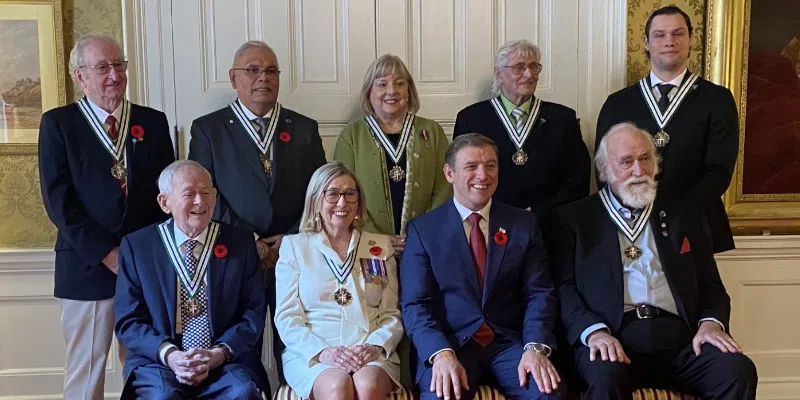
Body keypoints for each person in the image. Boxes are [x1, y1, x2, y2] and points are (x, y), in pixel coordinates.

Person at [552, 123, 757, 399]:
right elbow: (564, 290)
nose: (638, 171)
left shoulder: (685, 215)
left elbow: (711, 285)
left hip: (681, 339)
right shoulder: (574, 219)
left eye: (645, 159)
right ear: (605, 170)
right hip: (613, 336)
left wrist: (711, 324)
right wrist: (594, 333)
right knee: (604, 377)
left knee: (737, 370)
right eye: (626, 162)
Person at [38, 34, 175, 399]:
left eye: (119, 65)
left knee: (147, 364)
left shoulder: (153, 122)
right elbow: (59, 202)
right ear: (79, 76)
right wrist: (107, 253)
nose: (114, 75)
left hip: (145, 268)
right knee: (87, 369)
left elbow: (167, 198)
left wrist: (147, 258)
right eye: (102, 67)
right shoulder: (59, 125)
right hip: (86, 268)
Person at [188, 40, 326, 367]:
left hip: (293, 253)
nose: (262, 77)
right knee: (240, 347)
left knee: (296, 347)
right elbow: (204, 194)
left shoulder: (304, 128)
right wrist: (250, 240)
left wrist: (288, 239)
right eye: (252, 70)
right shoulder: (209, 129)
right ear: (233, 77)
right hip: (233, 253)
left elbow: (317, 191)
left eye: (270, 71)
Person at [401, 134, 561, 400]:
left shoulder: (523, 224)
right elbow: (416, 305)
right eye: (471, 166)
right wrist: (440, 353)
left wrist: (534, 347)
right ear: (449, 173)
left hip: (510, 344)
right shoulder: (423, 230)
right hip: (451, 345)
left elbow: (539, 293)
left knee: (548, 394)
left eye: (490, 165)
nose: (482, 175)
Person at [115, 160, 267, 399]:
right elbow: (129, 321)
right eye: (189, 193)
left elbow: (253, 312)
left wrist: (219, 353)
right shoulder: (138, 247)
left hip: (223, 357)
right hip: (160, 360)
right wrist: (171, 355)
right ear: (165, 202)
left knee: (242, 393)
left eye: (206, 193)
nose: (200, 201)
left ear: (215, 197)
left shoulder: (240, 243)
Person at [595, 6, 739, 253]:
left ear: (691, 39)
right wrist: (631, 213)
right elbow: (604, 171)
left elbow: (719, 171)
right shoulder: (618, 103)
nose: (669, 41)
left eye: (678, 34)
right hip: (631, 226)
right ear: (647, 43)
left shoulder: (718, 99)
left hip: (694, 224)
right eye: (660, 35)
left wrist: (676, 214)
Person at [274, 161, 404, 400]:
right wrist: (323, 352)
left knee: (368, 386)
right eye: (332, 194)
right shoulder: (294, 247)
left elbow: (391, 314)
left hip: (369, 349)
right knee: (337, 386)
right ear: (316, 199)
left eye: (350, 194)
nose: (342, 202)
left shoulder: (378, 246)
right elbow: (287, 318)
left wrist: (375, 346)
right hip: (312, 353)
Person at [453, 40, 589, 229]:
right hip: (488, 224)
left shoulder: (562, 119)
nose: (528, 74)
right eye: (519, 68)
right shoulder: (471, 119)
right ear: (498, 74)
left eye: (534, 67)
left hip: (549, 227)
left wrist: (539, 213)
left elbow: (577, 181)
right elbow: (462, 177)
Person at [334, 54, 451, 255]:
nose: (392, 91)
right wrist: (373, 235)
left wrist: (422, 232)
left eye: (399, 83)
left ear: (409, 90)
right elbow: (342, 191)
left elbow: (445, 187)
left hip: (425, 243)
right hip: (367, 244)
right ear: (369, 91)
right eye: (382, 84)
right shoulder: (352, 135)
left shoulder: (432, 131)